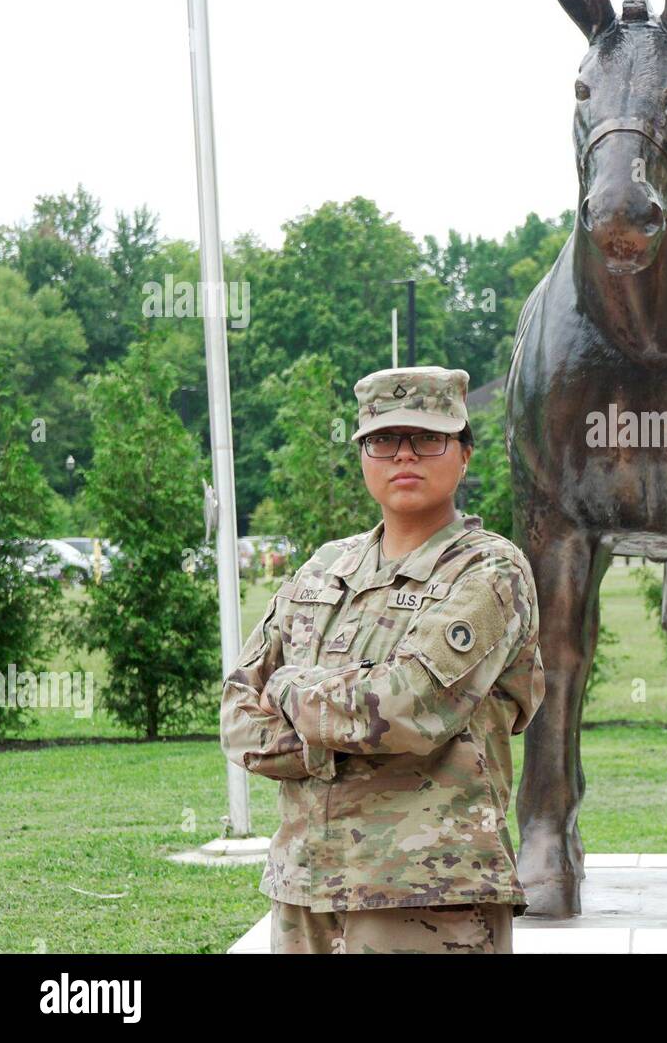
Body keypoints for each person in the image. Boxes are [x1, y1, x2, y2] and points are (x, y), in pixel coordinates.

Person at [220, 366, 544, 954]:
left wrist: (293, 691)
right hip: (304, 892)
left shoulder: (489, 573)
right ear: (364, 455)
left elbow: (404, 708)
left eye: (428, 439)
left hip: (427, 895)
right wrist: (341, 731)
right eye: (383, 441)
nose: (404, 456)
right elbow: (238, 716)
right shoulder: (323, 569)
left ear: (464, 455)